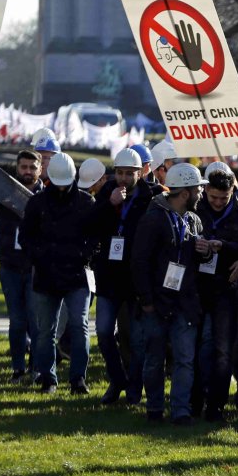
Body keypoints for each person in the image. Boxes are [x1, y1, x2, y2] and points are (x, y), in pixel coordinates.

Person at [131, 163, 212, 424]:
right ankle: (154, 409)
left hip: (185, 303)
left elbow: (200, 262)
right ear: (185, 193)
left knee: (185, 359)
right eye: (198, 189)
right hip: (155, 303)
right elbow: (139, 262)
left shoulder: (194, 220)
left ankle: (181, 411)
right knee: (154, 360)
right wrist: (146, 301)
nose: (201, 193)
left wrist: (206, 251)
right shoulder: (152, 218)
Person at [20, 153, 95, 394]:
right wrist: (40, 256)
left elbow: (95, 237)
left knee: (79, 325)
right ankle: (48, 378)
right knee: (45, 331)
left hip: (77, 275)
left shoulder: (86, 203)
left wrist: (84, 255)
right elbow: (26, 237)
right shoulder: (37, 203)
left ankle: (78, 379)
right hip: (46, 275)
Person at [89, 148, 154, 405]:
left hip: (134, 280)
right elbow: (90, 224)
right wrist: (109, 205)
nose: (124, 178)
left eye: (129, 173)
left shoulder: (150, 198)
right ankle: (117, 380)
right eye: (120, 173)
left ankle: (135, 388)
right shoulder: (107, 193)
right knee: (104, 332)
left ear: (140, 173)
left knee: (136, 339)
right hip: (108, 278)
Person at [192, 168, 238, 422]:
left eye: (222, 198)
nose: (217, 202)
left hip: (226, 290)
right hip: (195, 289)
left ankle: (216, 405)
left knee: (223, 350)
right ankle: (194, 401)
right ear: (205, 190)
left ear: (232, 192)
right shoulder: (195, 210)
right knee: (195, 348)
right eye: (213, 197)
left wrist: (226, 248)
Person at [0, 150, 43, 382]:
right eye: (24, 167)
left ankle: (36, 368)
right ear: (17, 168)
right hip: (10, 266)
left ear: (40, 170)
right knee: (17, 321)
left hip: (36, 268)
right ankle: (18, 368)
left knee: (35, 320)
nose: (28, 172)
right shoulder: (5, 194)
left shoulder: (47, 197)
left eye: (33, 168)